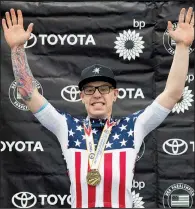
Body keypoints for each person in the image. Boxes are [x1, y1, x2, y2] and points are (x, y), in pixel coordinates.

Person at [2, 7, 194, 208]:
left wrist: (181, 46)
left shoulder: (133, 126)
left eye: (104, 88)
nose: (96, 94)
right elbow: (28, 94)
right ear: (81, 97)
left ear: (115, 94)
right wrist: (17, 48)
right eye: (89, 89)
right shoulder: (66, 127)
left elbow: (173, 94)